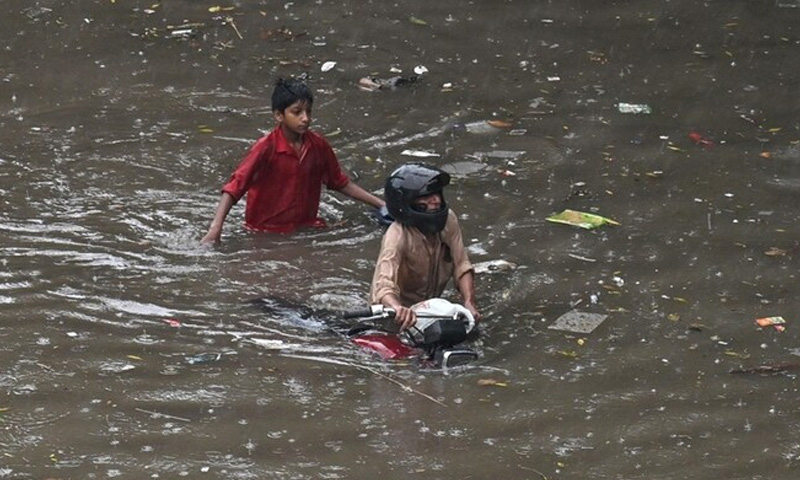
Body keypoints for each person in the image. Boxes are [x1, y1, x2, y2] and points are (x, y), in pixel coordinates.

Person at [201, 77, 390, 244]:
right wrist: (215, 229)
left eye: (308, 112)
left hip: (306, 228)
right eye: (297, 112)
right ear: (279, 115)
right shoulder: (265, 148)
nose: (305, 118)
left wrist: (381, 204)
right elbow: (233, 189)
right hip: (264, 233)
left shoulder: (318, 146)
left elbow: (339, 182)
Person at [369, 163, 480, 331]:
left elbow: (462, 265)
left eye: (436, 194)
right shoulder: (397, 236)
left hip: (429, 311)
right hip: (394, 316)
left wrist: (469, 302)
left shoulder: (449, 220)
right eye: (426, 197)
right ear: (406, 203)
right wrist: (397, 308)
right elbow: (384, 285)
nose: (436, 200)